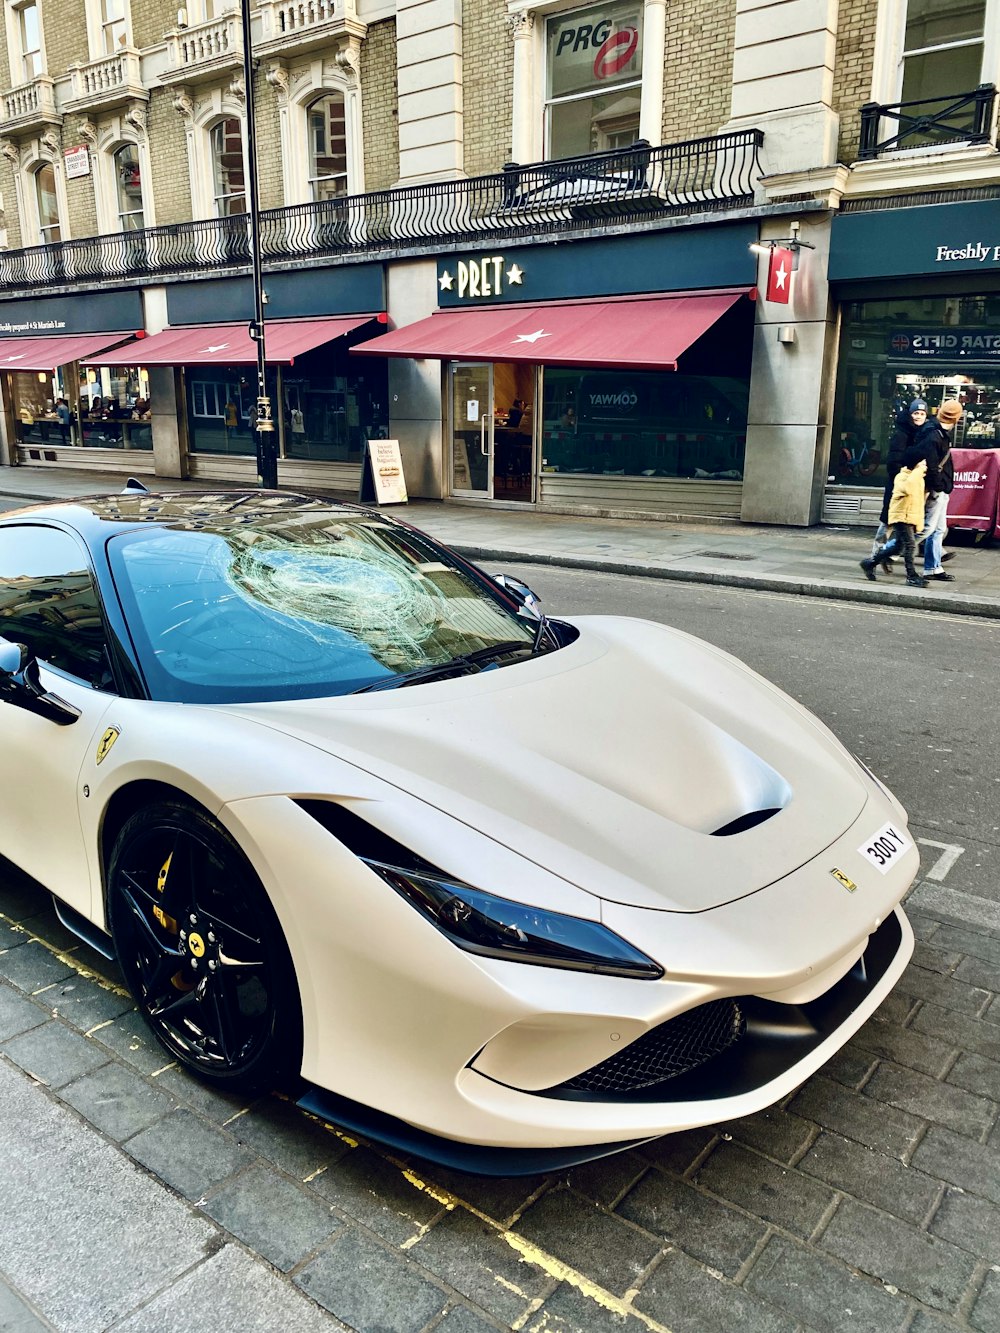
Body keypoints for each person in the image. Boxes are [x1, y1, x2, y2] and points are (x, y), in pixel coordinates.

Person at [868, 399, 927, 570]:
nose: (919, 417)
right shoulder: (901, 434)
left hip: (911, 486)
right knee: (887, 522)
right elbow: (894, 462)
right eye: (916, 413)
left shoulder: (922, 433)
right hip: (899, 486)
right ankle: (875, 557)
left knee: (905, 526)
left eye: (922, 414)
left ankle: (885, 556)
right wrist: (902, 480)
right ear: (910, 414)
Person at [861, 443, 928, 587]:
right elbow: (907, 489)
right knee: (910, 545)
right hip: (901, 516)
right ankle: (911, 575)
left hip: (908, 516)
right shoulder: (903, 476)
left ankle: (870, 563)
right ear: (914, 463)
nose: (925, 464)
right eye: (922, 462)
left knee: (899, 547)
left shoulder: (917, 477)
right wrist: (917, 472)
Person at [915, 399, 961, 582]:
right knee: (927, 529)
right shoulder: (935, 434)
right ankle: (888, 552)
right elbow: (932, 465)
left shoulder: (939, 432)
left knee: (938, 529)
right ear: (956, 417)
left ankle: (933, 568)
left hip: (941, 487)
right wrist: (939, 487)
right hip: (937, 488)